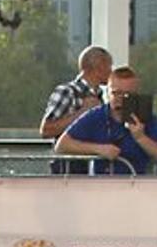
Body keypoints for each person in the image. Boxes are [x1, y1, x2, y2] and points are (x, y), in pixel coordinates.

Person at [53, 65, 157, 175]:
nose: (120, 99)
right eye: (116, 93)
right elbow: (62, 146)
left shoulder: (147, 118)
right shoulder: (96, 115)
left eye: (126, 95)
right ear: (108, 93)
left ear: (136, 95)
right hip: (102, 186)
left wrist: (140, 138)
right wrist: (98, 149)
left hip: (136, 186)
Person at [39, 45, 112, 173]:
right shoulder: (67, 91)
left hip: (93, 167)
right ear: (99, 67)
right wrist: (82, 112)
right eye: (109, 66)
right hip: (68, 169)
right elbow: (46, 130)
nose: (111, 72)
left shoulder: (100, 96)